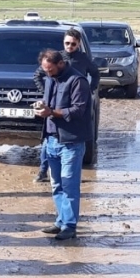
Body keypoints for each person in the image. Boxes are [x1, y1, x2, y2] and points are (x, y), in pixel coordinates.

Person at [33, 49, 92, 241]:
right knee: (56, 184)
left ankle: (70, 225)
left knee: (69, 185)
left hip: (71, 142)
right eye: (45, 71)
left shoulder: (78, 81)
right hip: (51, 139)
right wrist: (41, 106)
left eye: (50, 70)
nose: (47, 74)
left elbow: (78, 110)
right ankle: (61, 220)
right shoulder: (50, 79)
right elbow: (49, 103)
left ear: (60, 64)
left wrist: (51, 112)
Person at [32, 28, 98, 183]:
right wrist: (46, 96)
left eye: (73, 44)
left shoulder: (83, 59)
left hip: (76, 104)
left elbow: (95, 73)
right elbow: (38, 75)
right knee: (49, 142)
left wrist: (90, 89)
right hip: (56, 108)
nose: (70, 46)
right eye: (67, 43)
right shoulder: (55, 58)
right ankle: (42, 171)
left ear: (79, 44)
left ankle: (74, 174)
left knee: (69, 173)